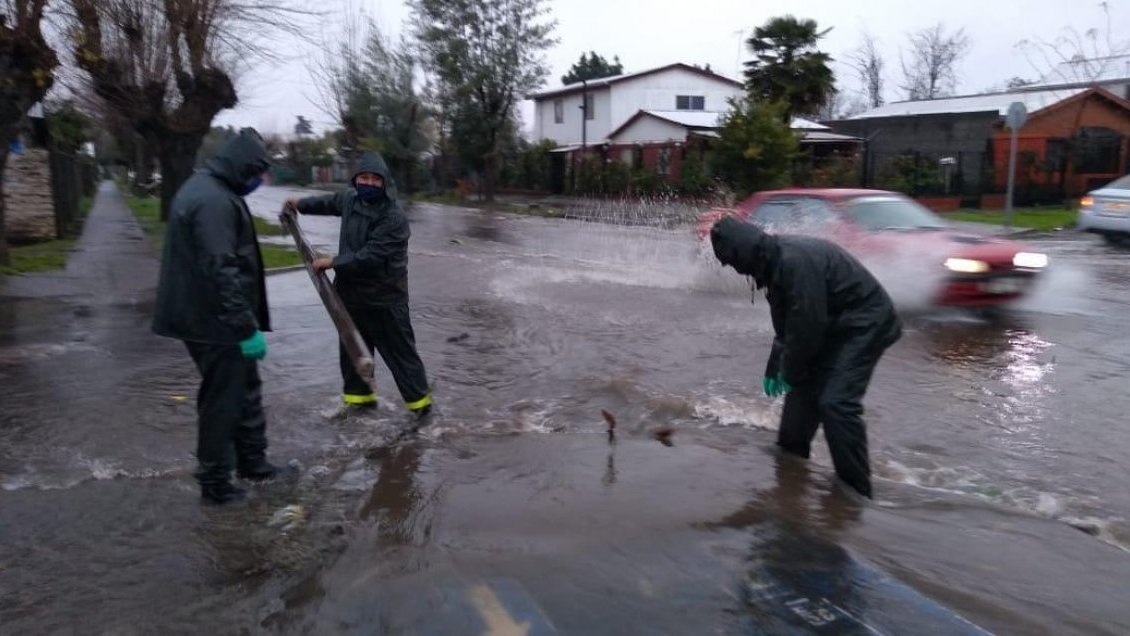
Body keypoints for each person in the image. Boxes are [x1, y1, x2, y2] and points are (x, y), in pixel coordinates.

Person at [710, 216, 901, 498]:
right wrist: (775, 365)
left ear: (744, 252)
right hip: (832, 326)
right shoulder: (770, 264)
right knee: (801, 401)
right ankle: (791, 467)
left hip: (865, 324)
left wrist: (789, 370)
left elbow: (807, 327)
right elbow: (787, 327)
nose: (734, 270)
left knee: (836, 403)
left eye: (732, 261)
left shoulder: (794, 262)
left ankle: (855, 493)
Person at [152, 127, 286, 505]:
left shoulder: (211, 189)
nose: (261, 183)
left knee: (244, 391)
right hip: (213, 322)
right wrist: (245, 327)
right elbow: (221, 267)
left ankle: (253, 465)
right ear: (245, 168)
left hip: (212, 317)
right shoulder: (212, 200)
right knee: (223, 400)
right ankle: (215, 484)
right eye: (259, 175)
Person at [286, 151, 433, 419]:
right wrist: (300, 204)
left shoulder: (394, 218)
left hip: (385, 302)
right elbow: (328, 203)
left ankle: (423, 413)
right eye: (363, 178)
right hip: (351, 299)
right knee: (354, 357)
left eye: (374, 179)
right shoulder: (350, 200)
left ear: (384, 182)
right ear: (356, 181)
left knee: (402, 359)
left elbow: (372, 257)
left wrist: (332, 262)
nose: (368, 183)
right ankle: (359, 409)